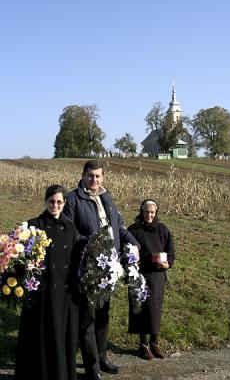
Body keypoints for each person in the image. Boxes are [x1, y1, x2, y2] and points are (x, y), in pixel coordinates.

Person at [63, 160, 139, 380]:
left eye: (98, 176)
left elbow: (120, 227)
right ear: (83, 175)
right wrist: (93, 246)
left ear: (103, 177)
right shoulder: (73, 199)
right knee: (87, 319)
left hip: (110, 268)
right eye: (90, 176)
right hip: (88, 268)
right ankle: (92, 367)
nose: (94, 180)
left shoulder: (107, 198)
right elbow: (70, 232)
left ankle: (103, 357)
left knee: (104, 315)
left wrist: (134, 243)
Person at [15, 184, 81, 380]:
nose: (55, 205)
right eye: (52, 201)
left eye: (59, 202)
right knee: (43, 335)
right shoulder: (33, 226)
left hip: (66, 290)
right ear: (45, 201)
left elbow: (75, 255)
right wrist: (24, 265)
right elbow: (16, 258)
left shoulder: (70, 226)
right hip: (43, 293)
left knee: (62, 334)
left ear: (64, 203)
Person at [127, 199, 176, 360]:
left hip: (157, 275)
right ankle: (143, 344)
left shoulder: (162, 229)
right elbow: (126, 250)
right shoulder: (133, 230)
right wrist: (132, 261)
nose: (149, 215)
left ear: (156, 213)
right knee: (142, 309)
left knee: (155, 308)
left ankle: (154, 343)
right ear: (141, 212)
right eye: (146, 212)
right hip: (140, 275)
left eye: (152, 212)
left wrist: (167, 263)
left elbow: (170, 251)